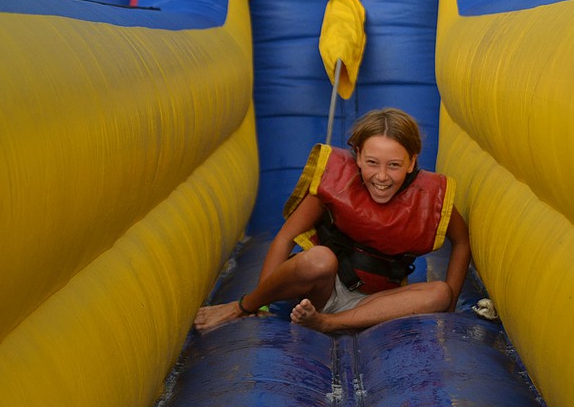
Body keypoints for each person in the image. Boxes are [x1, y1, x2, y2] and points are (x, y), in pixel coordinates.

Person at [194, 107, 471, 334]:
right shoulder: (335, 183)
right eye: (372, 162)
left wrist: (450, 308)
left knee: (439, 293)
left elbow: (461, 240)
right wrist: (256, 304)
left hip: (378, 303)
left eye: (394, 165)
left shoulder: (429, 196)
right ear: (358, 156)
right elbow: (285, 237)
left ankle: (327, 324)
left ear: (412, 162)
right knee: (319, 258)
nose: (382, 176)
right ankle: (241, 307)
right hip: (322, 291)